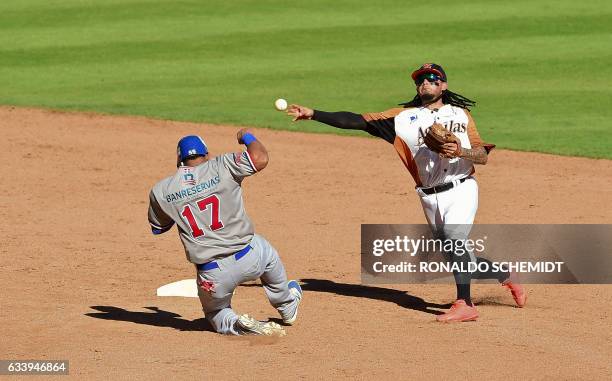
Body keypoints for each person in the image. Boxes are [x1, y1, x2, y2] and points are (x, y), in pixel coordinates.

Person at [286, 63, 525, 322]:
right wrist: (313, 114)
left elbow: (482, 155)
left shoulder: (461, 114)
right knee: (457, 256)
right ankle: (505, 274)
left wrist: (461, 152)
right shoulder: (400, 119)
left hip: (462, 187)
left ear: (443, 85)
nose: (426, 82)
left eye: (433, 78)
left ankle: (465, 304)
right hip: (429, 196)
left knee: (455, 241)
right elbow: (356, 121)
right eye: (421, 79)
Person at [148, 130, 303, 335]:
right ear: (207, 154)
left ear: (179, 161)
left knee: (216, 312)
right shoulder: (222, 165)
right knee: (268, 254)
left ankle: (235, 323)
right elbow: (260, 158)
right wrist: (247, 136)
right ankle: (286, 305)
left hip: (212, 274)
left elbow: (158, 228)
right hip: (250, 256)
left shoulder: (162, 191)